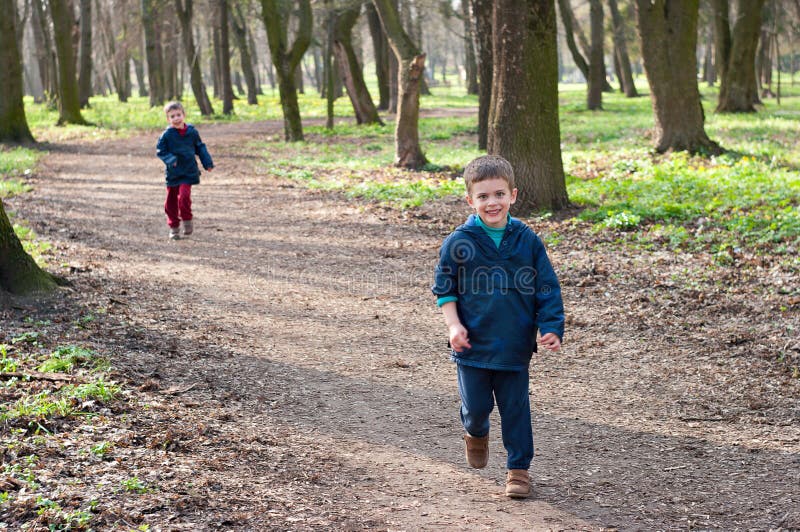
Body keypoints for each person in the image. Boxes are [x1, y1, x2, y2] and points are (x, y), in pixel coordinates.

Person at [432, 155, 564, 499]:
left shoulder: (526, 240)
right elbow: (444, 288)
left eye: (499, 194)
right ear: (470, 200)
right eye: (484, 196)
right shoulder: (459, 242)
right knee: (477, 409)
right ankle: (475, 433)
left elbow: (546, 287)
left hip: (514, 346)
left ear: (514, 195)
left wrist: (550, 326)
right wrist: (453, 326)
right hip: (472, 347)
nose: (492, 203)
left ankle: (519, 469)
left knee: (516, 410)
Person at [156, 101, 214, 240]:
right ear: (168, 119)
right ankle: (174, 227)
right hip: (173, 172)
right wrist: (171, 160)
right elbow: (160, 151)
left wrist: (207, 163)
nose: (176, 118)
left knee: (184, 197)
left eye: (178, 115)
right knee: (171, 201)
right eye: (172, 116)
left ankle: (187, 220)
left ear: (184, 115)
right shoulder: (167, 135)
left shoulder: (191, 132)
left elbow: (200, 148)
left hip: (188, 171)